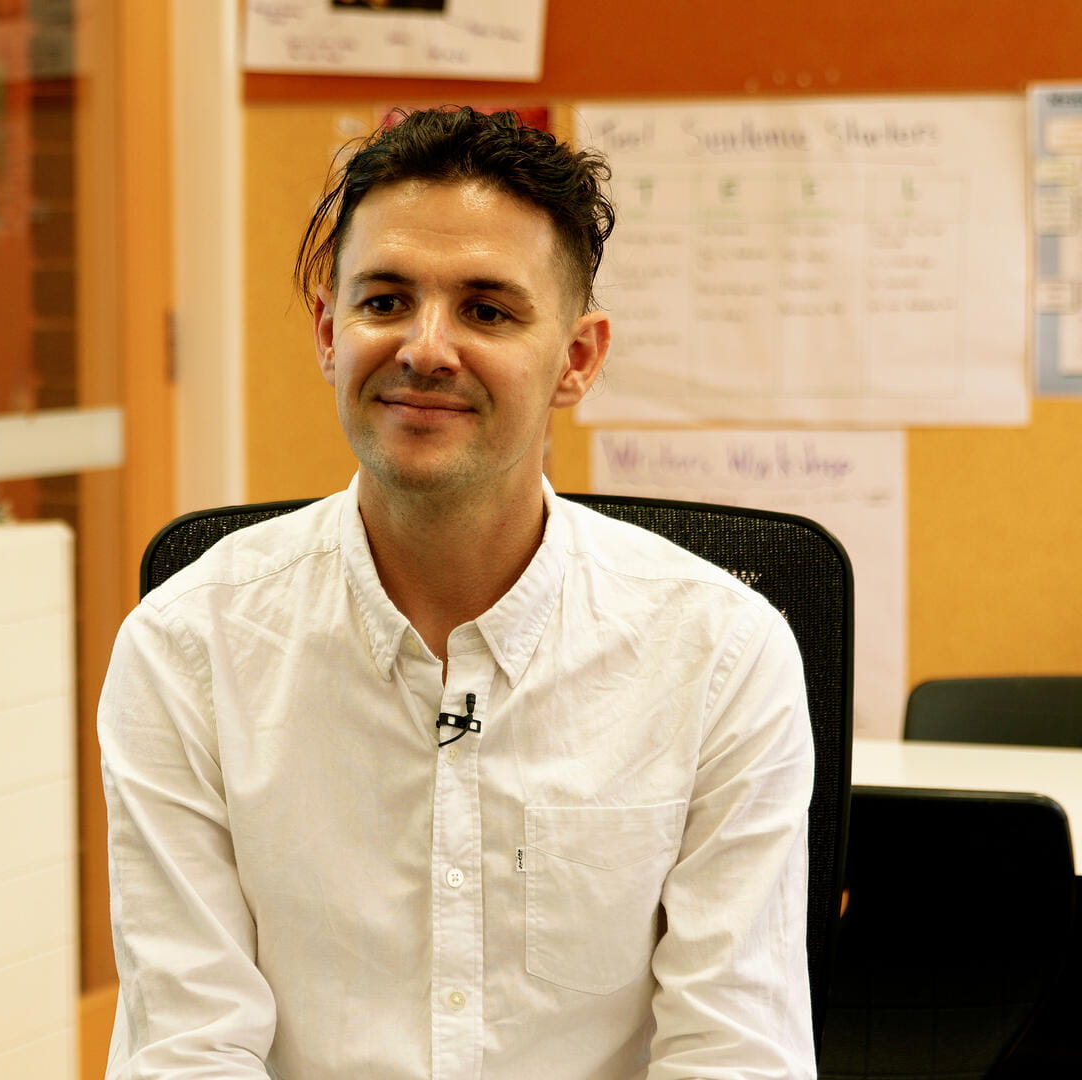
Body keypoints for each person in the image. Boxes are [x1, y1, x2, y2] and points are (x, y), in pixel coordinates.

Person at [97, 107, 814, 1079]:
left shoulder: (719, 655)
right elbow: (187, 1050)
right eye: (384, 301)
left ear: (576, 359)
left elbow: (732, 1057)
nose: (424, 348)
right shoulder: (185, 650)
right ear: (325, 330)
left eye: (486, 310)